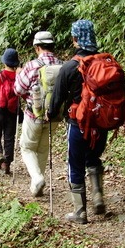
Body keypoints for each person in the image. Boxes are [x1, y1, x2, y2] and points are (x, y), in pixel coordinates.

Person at [47, 20, 107, 224]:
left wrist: (50, 113)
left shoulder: (70, 67)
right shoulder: (105, 64)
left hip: (78, 124)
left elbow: (56, 100)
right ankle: (98, 196)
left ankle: (80, 211)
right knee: (94, 157)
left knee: (75, 164)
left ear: (75, 39)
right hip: (101, 124)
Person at [14, 31, 63, 197]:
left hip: (34, 115)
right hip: (54, 116)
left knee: (27, 147)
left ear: (37, 47)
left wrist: (18, 75)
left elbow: (18, 89)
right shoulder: (62, 65)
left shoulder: (32, 65)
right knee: (42, 149)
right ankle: (37, 184)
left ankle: (36, 178)